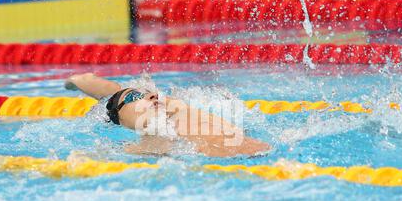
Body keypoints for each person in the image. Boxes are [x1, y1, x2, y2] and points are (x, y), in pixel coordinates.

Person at [65, 73, 270, 157]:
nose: (152, 95)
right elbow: (112, 92)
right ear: (122, 121)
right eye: (134, 96)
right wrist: (74, 80)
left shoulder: (176, 108)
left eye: (146, 93)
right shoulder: (139, 149)